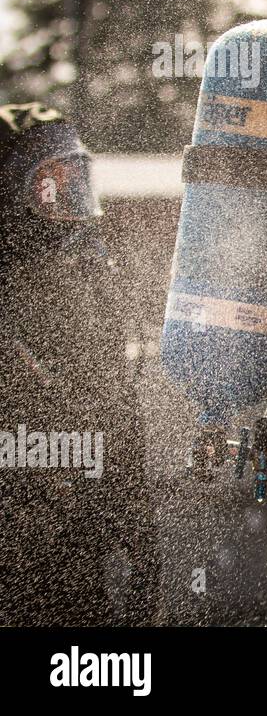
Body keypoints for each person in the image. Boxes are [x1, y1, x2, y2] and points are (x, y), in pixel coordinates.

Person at [0, 102, 156, 625]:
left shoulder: (86, 277)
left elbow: (113, 401)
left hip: (73, 538)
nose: (71, 203)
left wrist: (135, 516)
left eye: (77, 180)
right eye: (54, 185)